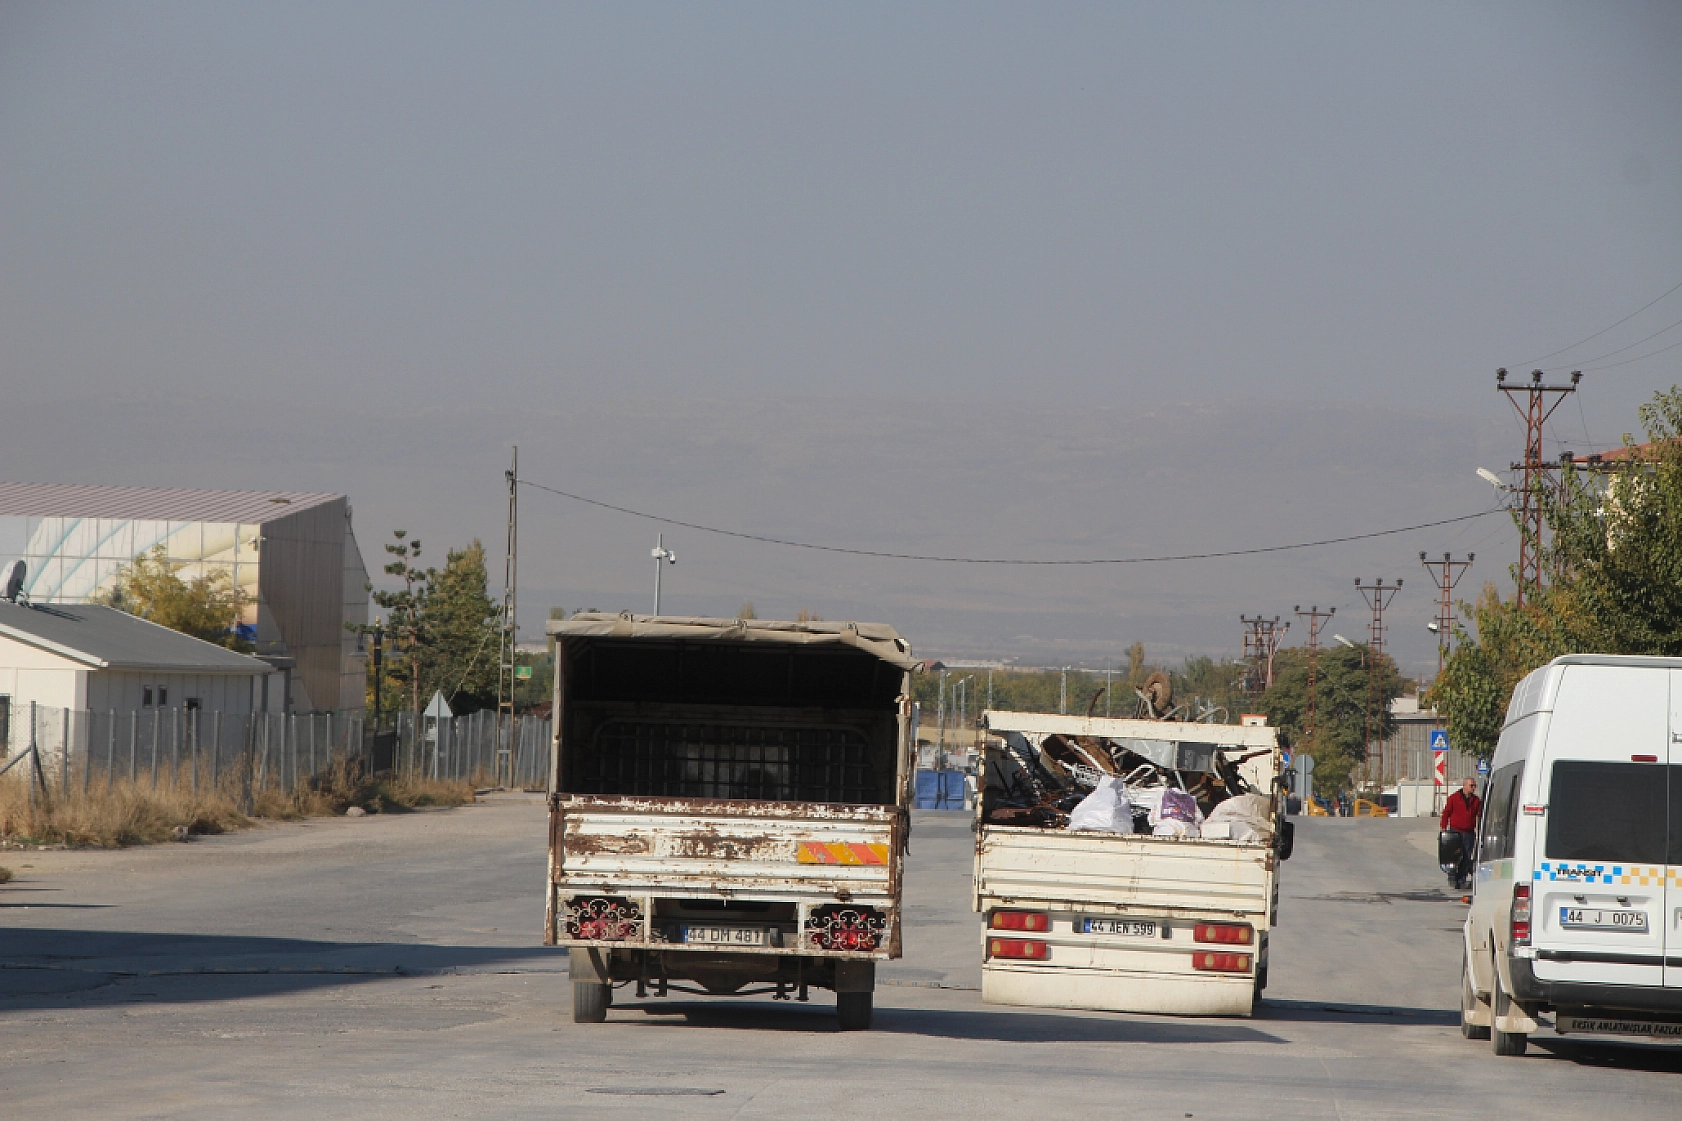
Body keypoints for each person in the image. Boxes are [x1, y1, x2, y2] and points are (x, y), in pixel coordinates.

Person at [1440, 777, 1481, 888]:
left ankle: (1461, 879)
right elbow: (1446, 813)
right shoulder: (1454, 798)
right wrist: (1443, 828)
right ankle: (1452, 876)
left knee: (1467, 857)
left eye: (1474, 785)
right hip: (1455, 832)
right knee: (1455, 855)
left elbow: (1479, 814)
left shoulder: (1476, 800)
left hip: (1469, 833)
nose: (1473, 788)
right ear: (1465, 786)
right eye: (1471, 785)